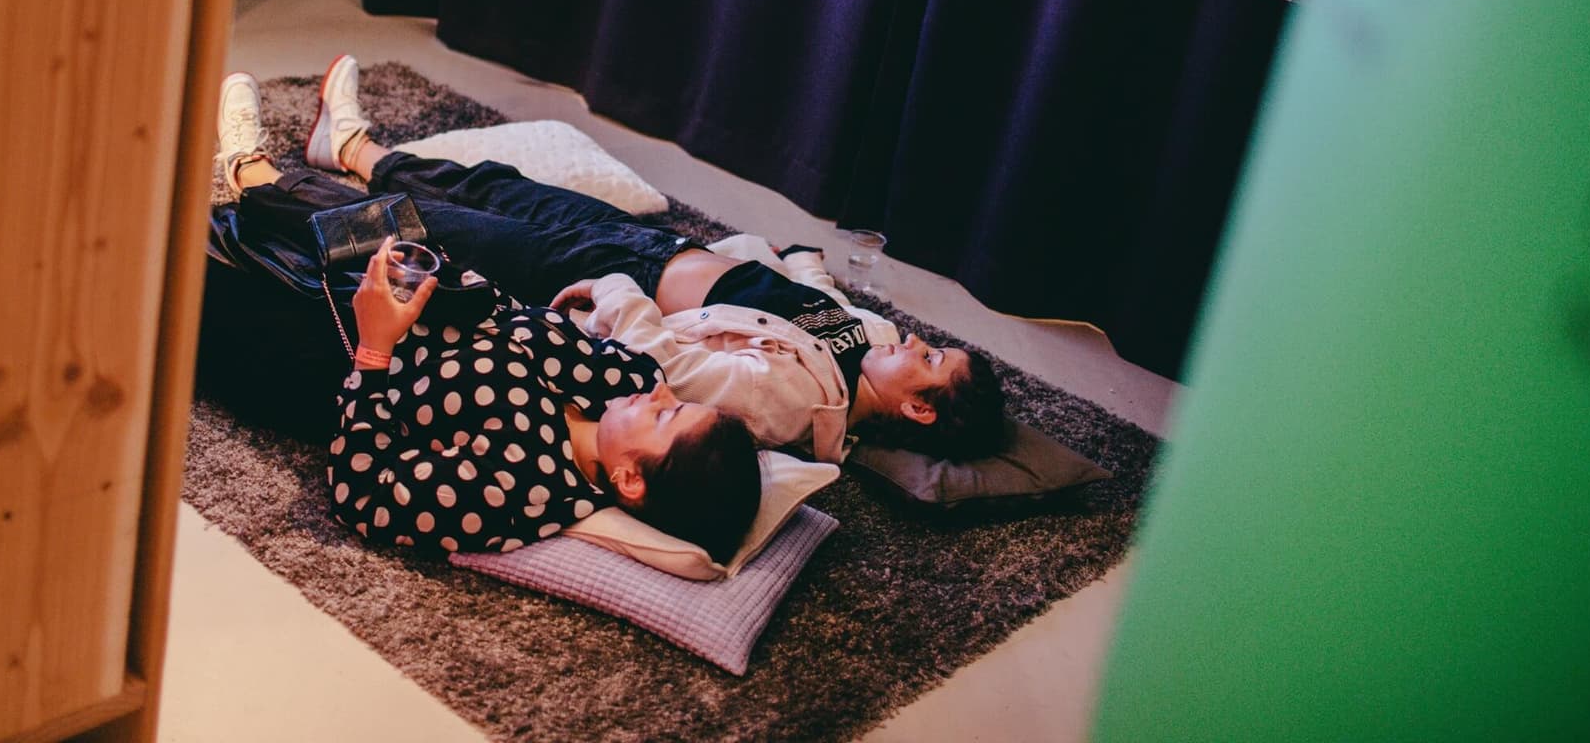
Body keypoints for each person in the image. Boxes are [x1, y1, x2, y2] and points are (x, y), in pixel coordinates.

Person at [296, 53, 1008, 465]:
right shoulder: (872, 338)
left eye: (931, 360)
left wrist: (616, 295)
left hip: (616, 282)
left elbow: (673, 368)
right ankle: (351, 149)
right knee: (499, 187)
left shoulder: (798, 409)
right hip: (659, 248)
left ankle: (272, 198)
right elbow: (819, 298)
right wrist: (801, 263)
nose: (917, 340)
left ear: (916, 408)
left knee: (433, 231)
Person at [212, 73, 762, 562]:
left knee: (176, 272)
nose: (663, 395)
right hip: (419, 288)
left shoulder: (522, 487)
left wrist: (375, 350)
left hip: (332, 356)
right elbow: (557, 329)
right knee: (362, 220)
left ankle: (241, 196)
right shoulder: (627, 383)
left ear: (629, 481)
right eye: (680, 403)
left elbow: (366, 498)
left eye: (665, 418)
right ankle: (251, 170)